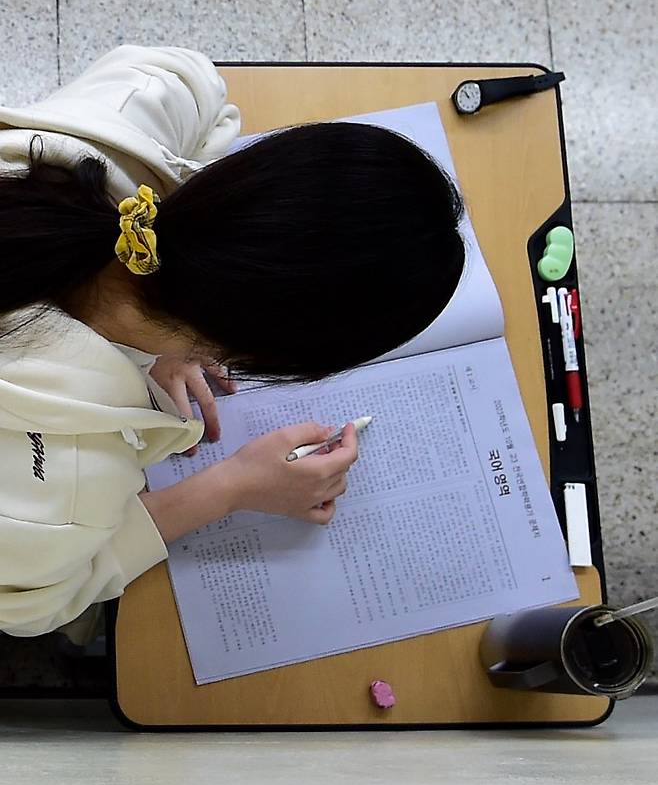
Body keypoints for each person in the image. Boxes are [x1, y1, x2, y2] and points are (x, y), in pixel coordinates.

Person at [0, 45, 465, 644]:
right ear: (266, 360)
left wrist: (188, 288)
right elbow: (33, 607)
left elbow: (191, 80)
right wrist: (230, 487)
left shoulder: (102, 136)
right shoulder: (69, 485)